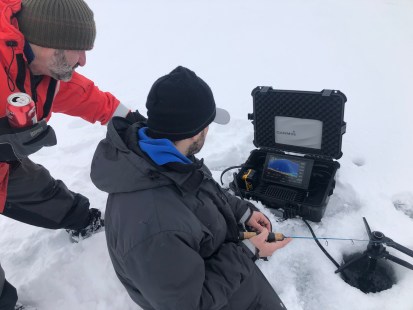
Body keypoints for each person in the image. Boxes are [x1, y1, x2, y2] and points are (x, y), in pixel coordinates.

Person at [91, 66, 291, 309]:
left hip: (233, 278)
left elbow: (198, 189)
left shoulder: (162, 154)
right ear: (197, 132)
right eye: (207, 124)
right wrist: (247, 250)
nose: (208, 130)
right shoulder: (155, 230)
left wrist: (241, 212)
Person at [0, 0, 144, 308]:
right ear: (47, 45)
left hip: (4, 167)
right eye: (76, 50)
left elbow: (88, 97)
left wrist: (132, 123)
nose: (82, 60)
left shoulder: (41, 69)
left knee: (38, 187)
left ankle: (83, 221)